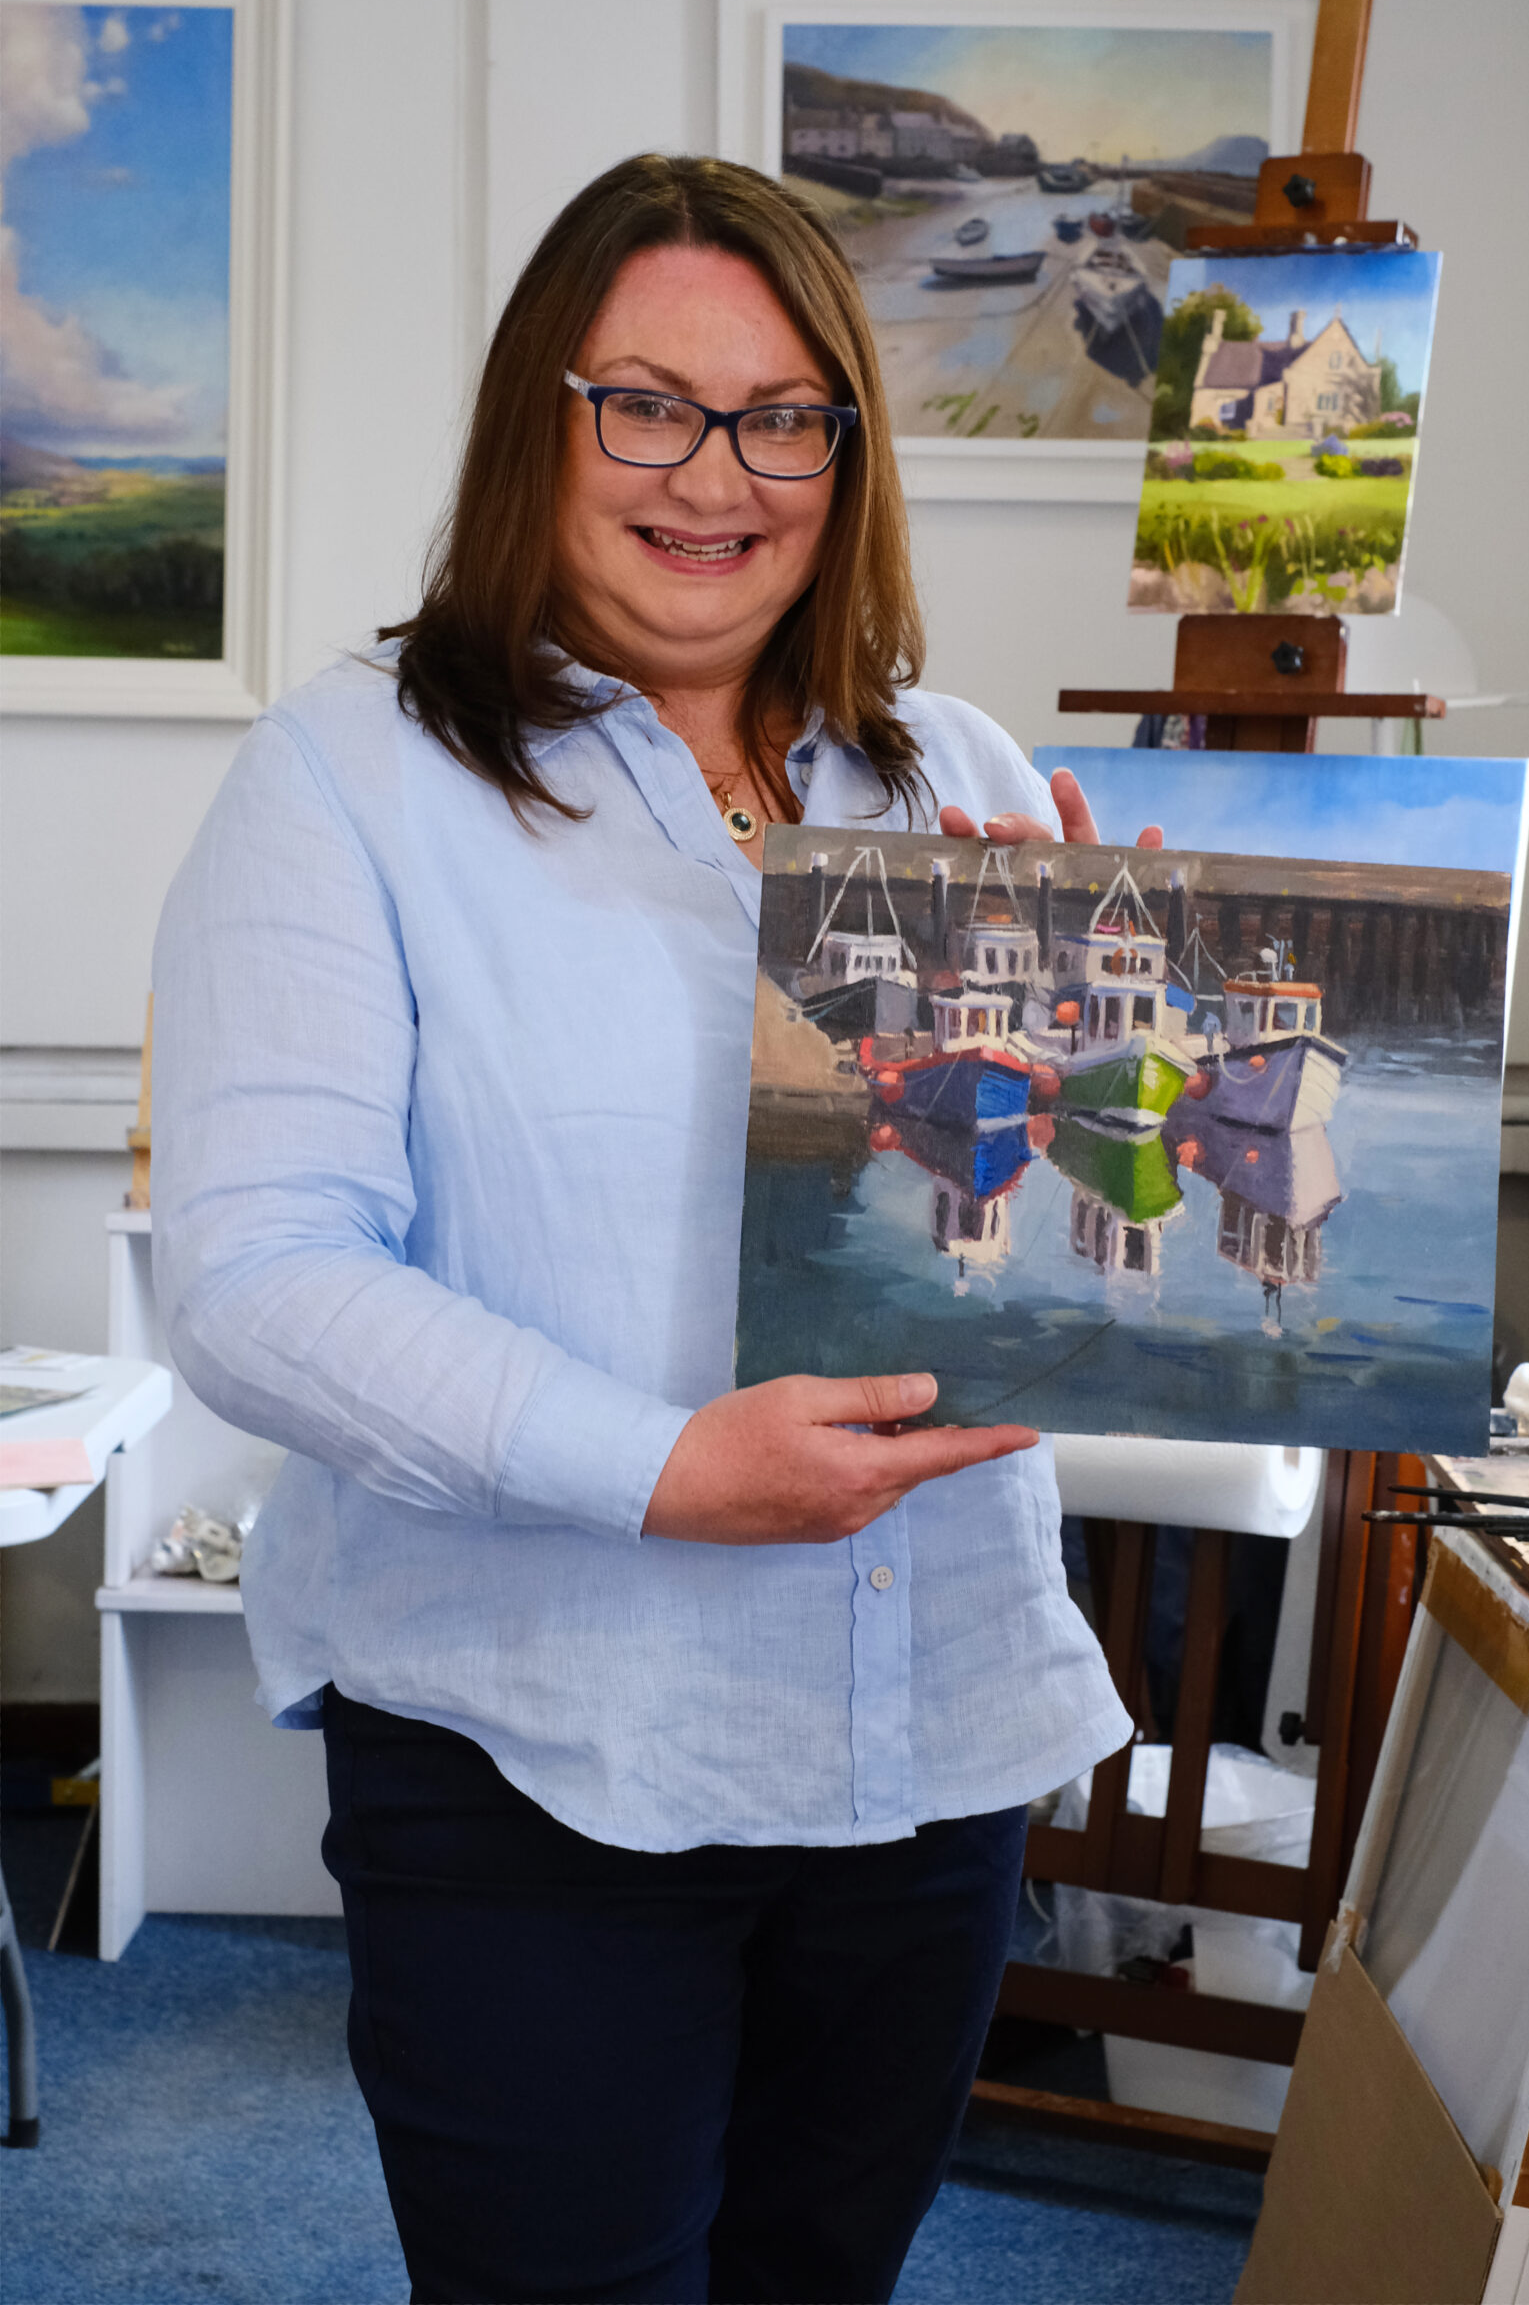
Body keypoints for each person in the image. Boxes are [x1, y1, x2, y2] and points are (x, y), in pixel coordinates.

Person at [151, 153, 1133, 2305]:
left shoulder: (949, 761)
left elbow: (1011, 1215)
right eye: (649, 405)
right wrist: (661, 1468)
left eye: (784, 414)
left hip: (925, 1731)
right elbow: (255, 1271)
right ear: (540, 421)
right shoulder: (348, 778)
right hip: (547, 1749)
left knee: (818, 2279)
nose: (720, 474)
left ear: (847, 454)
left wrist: (1114, 996)